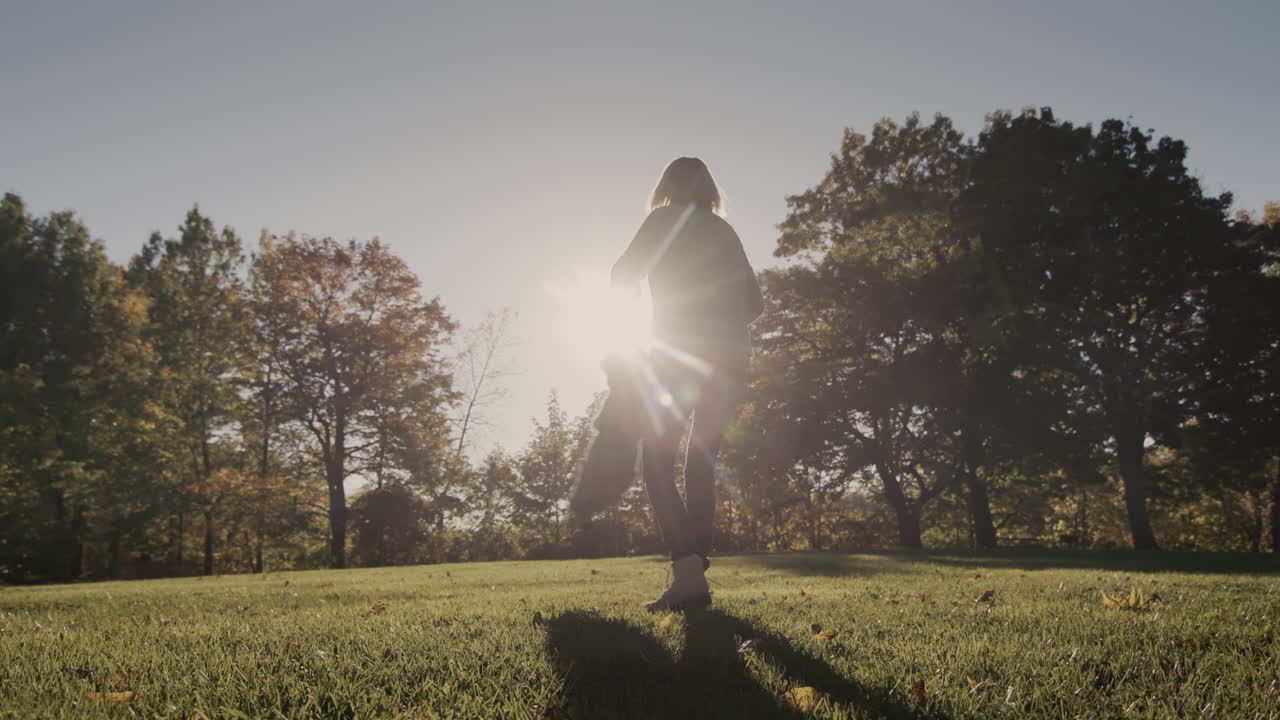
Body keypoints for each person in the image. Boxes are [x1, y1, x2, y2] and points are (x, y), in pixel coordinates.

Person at [611, 157, 764, 612]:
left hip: (677, 354)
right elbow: (756, 304)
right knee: (701, 463)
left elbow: (622, 275)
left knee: (657, 461)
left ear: (666, 186)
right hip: (731, 359)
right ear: (710, 190)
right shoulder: (724, 230)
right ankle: (694, 575)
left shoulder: (662, 221)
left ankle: (690, 573)